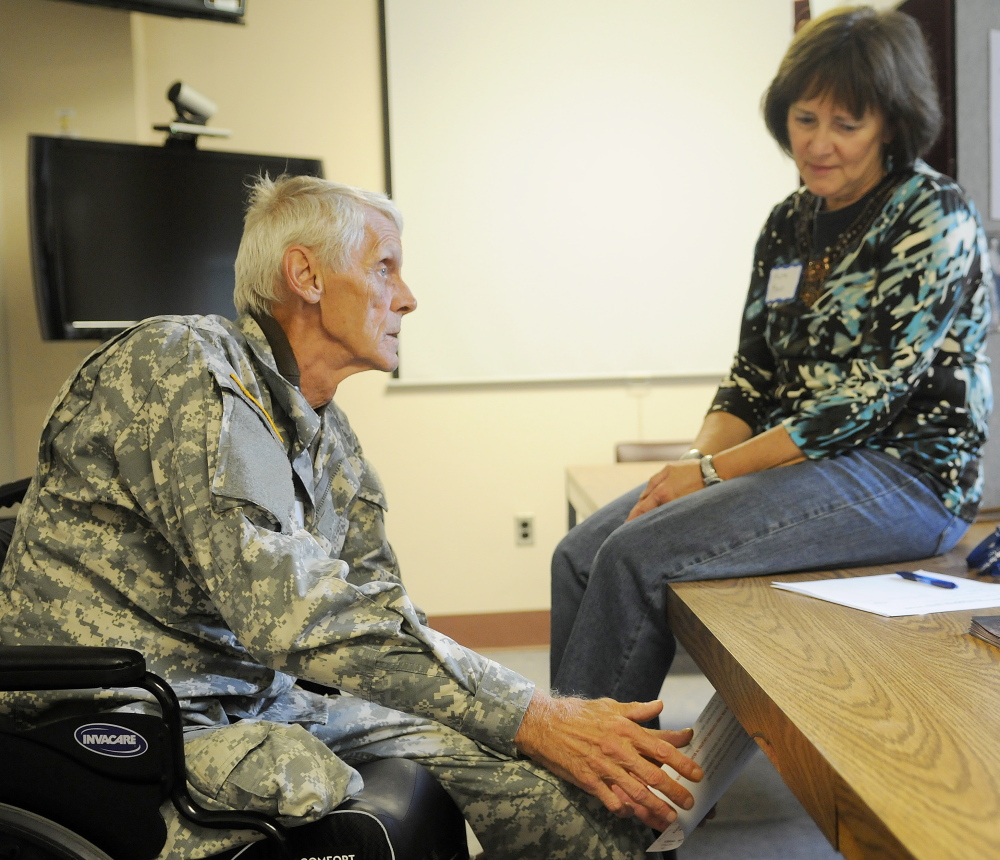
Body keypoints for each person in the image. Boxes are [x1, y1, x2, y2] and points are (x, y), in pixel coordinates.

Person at [0, 174, 703, 860]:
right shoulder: (180, 367)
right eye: (385, 267)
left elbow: (380, 611)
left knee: (548, 787)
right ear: (306, 275)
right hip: (132, 713)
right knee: (312, 774)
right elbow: (294, 613)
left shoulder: (327, 434)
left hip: (258, 696)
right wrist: (532, 713)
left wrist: (526, 726)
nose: (409, 298)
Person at [551, 5, 993, 705]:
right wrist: (695, 470)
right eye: (804, 118)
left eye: (847, 125)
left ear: (892, 124)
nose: (819, 144)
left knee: (636, 555)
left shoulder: (932, 214)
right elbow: (750, 379)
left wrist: (709, 474)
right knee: (579, 556)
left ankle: (591, 806)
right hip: (800, 466)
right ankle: (582, 765)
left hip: (909, 477)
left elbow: (863, 402)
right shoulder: (790, 222)